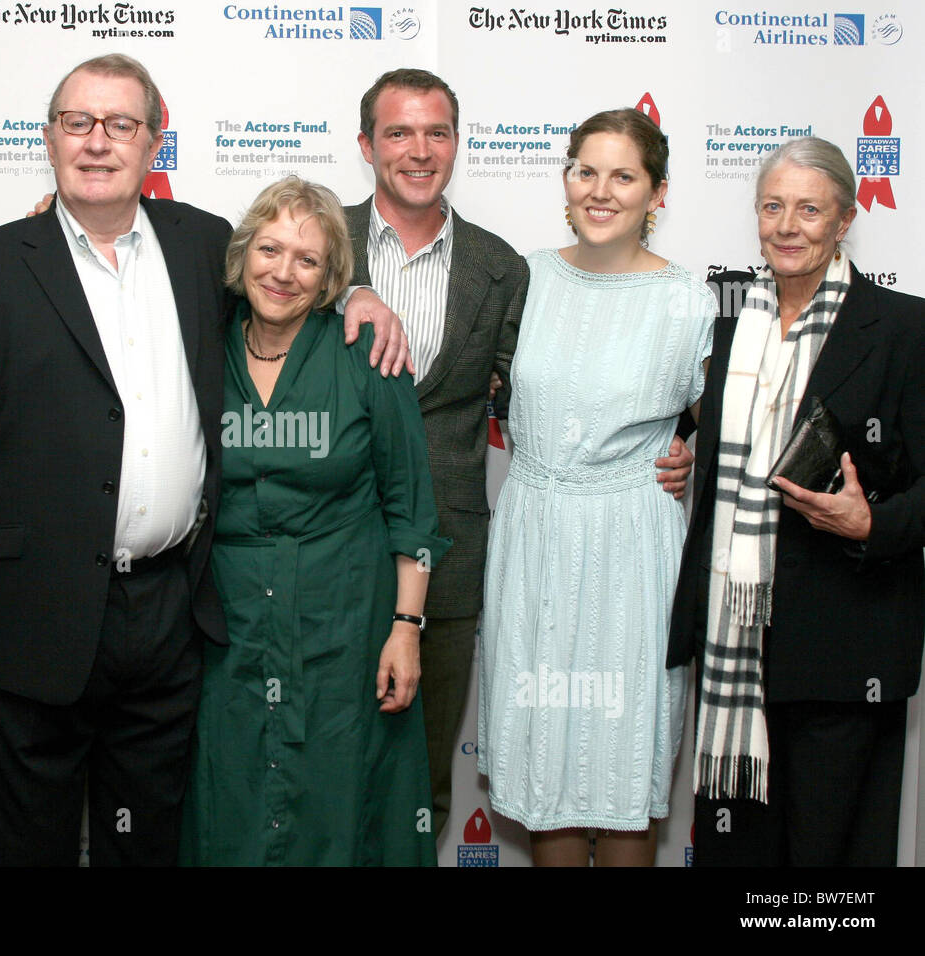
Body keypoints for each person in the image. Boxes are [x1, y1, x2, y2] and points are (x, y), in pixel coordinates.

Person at [0, 54, 407, 866]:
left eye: (121, 125)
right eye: (78, 123)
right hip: (27, 626)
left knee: (150, 847)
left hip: (167, 622)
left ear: (154, 142)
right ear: (50, 138)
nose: (98, 143)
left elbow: (292, 274)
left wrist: (359, 295)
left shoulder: (201, 244)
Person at [345, 70, 695, 840]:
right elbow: (238, 286)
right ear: (366, 144)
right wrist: (347, 293)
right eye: (398, 133)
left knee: (422, 784)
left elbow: (583, 389)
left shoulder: (504, 268)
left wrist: (685, 444)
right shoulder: (319, 243)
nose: (418, 150)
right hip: (321, 551)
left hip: (454, 554)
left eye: (437, 133)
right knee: (308, 771)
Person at [669, 137, 925, 866]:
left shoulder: (904, 330)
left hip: (845, 652)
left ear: (845, 220)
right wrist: (687, 451)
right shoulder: (730, 331)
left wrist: (872, 522)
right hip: (734, 651)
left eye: (809, 209)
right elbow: (713, 450)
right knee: (738, 859)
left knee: (829, 869)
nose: (787, 225)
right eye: (773, 206)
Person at [180, 177, 449, 865]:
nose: (284, 271)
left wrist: (406, 628)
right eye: (270, 248)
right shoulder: (198, 348)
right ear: (241, 256)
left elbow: (410, 505)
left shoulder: (368, 353)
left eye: (308, 259)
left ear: (331, 277)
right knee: (231, 797)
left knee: (342, 801)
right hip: (225, 626)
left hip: (347, 622)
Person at [477, 107, 715, 865]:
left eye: (624, 176)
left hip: (631, 547)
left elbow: (737, 424)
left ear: (657, 193)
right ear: (567, 180)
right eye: (587, 171)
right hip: (537, 532)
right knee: (547, 760)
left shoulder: (688, 300)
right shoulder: (526, 277)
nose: (601, 191)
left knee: (618, 764)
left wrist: (693, 455)